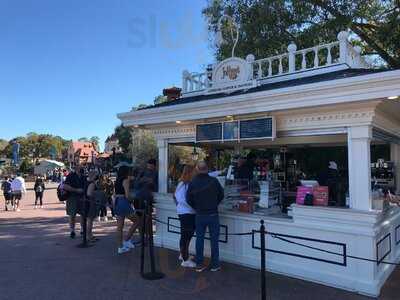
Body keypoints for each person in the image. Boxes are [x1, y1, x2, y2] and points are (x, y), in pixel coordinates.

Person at [187, 161, 224, 272]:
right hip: (213, 214)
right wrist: (214, 204)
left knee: (199, 239)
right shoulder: (214, 181)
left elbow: (188, 199)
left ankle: (199, 264)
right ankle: (215, 264)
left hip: (200, 215)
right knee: (214, 240)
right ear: (207, 169)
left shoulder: (193, 182)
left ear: (198, 169)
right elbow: (221, 195)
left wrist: (197, 207)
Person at [114, 166, 141, 254]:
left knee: (119, 227)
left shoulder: (117, 180)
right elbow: (127, 195)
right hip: (123, 202)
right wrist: (133, 198)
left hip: (117, 202)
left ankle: (120, 247)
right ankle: (127, 240)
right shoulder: (125, 180)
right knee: (137, 221)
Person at [174, 165, 196, 268]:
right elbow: (189, 200)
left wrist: (179, 206)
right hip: (188, 213)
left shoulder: (181, 183)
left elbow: (174, 197)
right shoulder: (188, 184)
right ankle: (185, 259)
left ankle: (183, 254)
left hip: (182, 212)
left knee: (185, 234)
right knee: (187, 235)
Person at [63, 165, 86, 238]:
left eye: (82, 166)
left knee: (83, 214)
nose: (81, 167)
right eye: (79, 166)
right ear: (76, 168)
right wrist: (76, 190)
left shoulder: (84, 176)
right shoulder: (71, 176)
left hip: (83, 198)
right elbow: (65, 186)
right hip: (72, 198)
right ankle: (72, 231)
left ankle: (82, 229)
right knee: (72, 215)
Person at [86, 170, 107, 242]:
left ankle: (90, 235)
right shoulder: (92, 183)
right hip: (90, 203)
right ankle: (89, 236)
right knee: (90, 220)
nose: (97, 177)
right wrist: (97, 194)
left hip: (89, 203)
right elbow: (89, 194)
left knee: (90, 220)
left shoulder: (89, 182)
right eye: (96, 175)